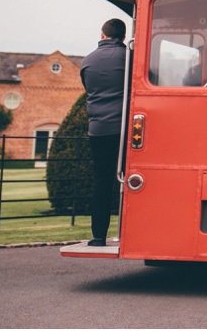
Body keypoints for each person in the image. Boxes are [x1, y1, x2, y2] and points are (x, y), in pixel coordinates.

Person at [79, 16, 127, 247]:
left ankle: (98, 235)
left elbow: (88, 90)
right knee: (126, 179)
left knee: (101, 179)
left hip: (97, 128)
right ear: (124, 37)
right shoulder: (128, 58)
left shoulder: (87, 61)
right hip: (123, 127)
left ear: (102, 34)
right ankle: (128, 231)